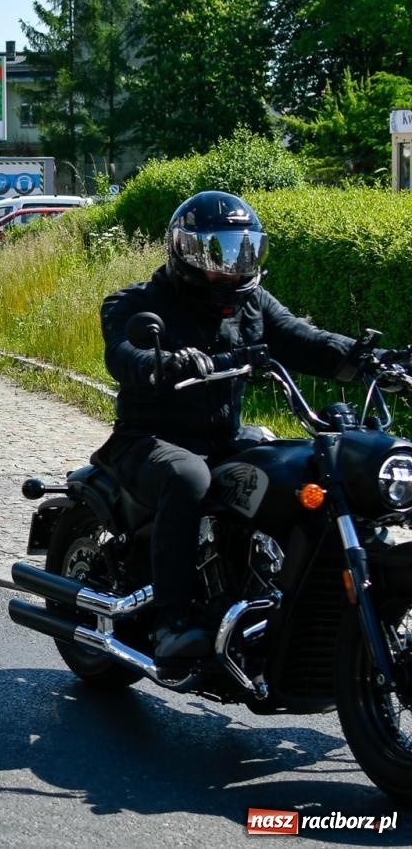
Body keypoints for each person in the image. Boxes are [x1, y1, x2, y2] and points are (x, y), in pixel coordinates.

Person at [97, 191, 367, 662]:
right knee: (189, 477)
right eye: (218, 252)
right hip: (148, 441)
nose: (233, 265)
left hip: (222, 439)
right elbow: (123, 353)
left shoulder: (252, 302)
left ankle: (265, 591)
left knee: (292, 465)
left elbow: (304, 341)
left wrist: (366, 360)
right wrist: (164, 362)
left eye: (245, 250)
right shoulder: (140, 301)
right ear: (184, 250)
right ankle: (172, 622)